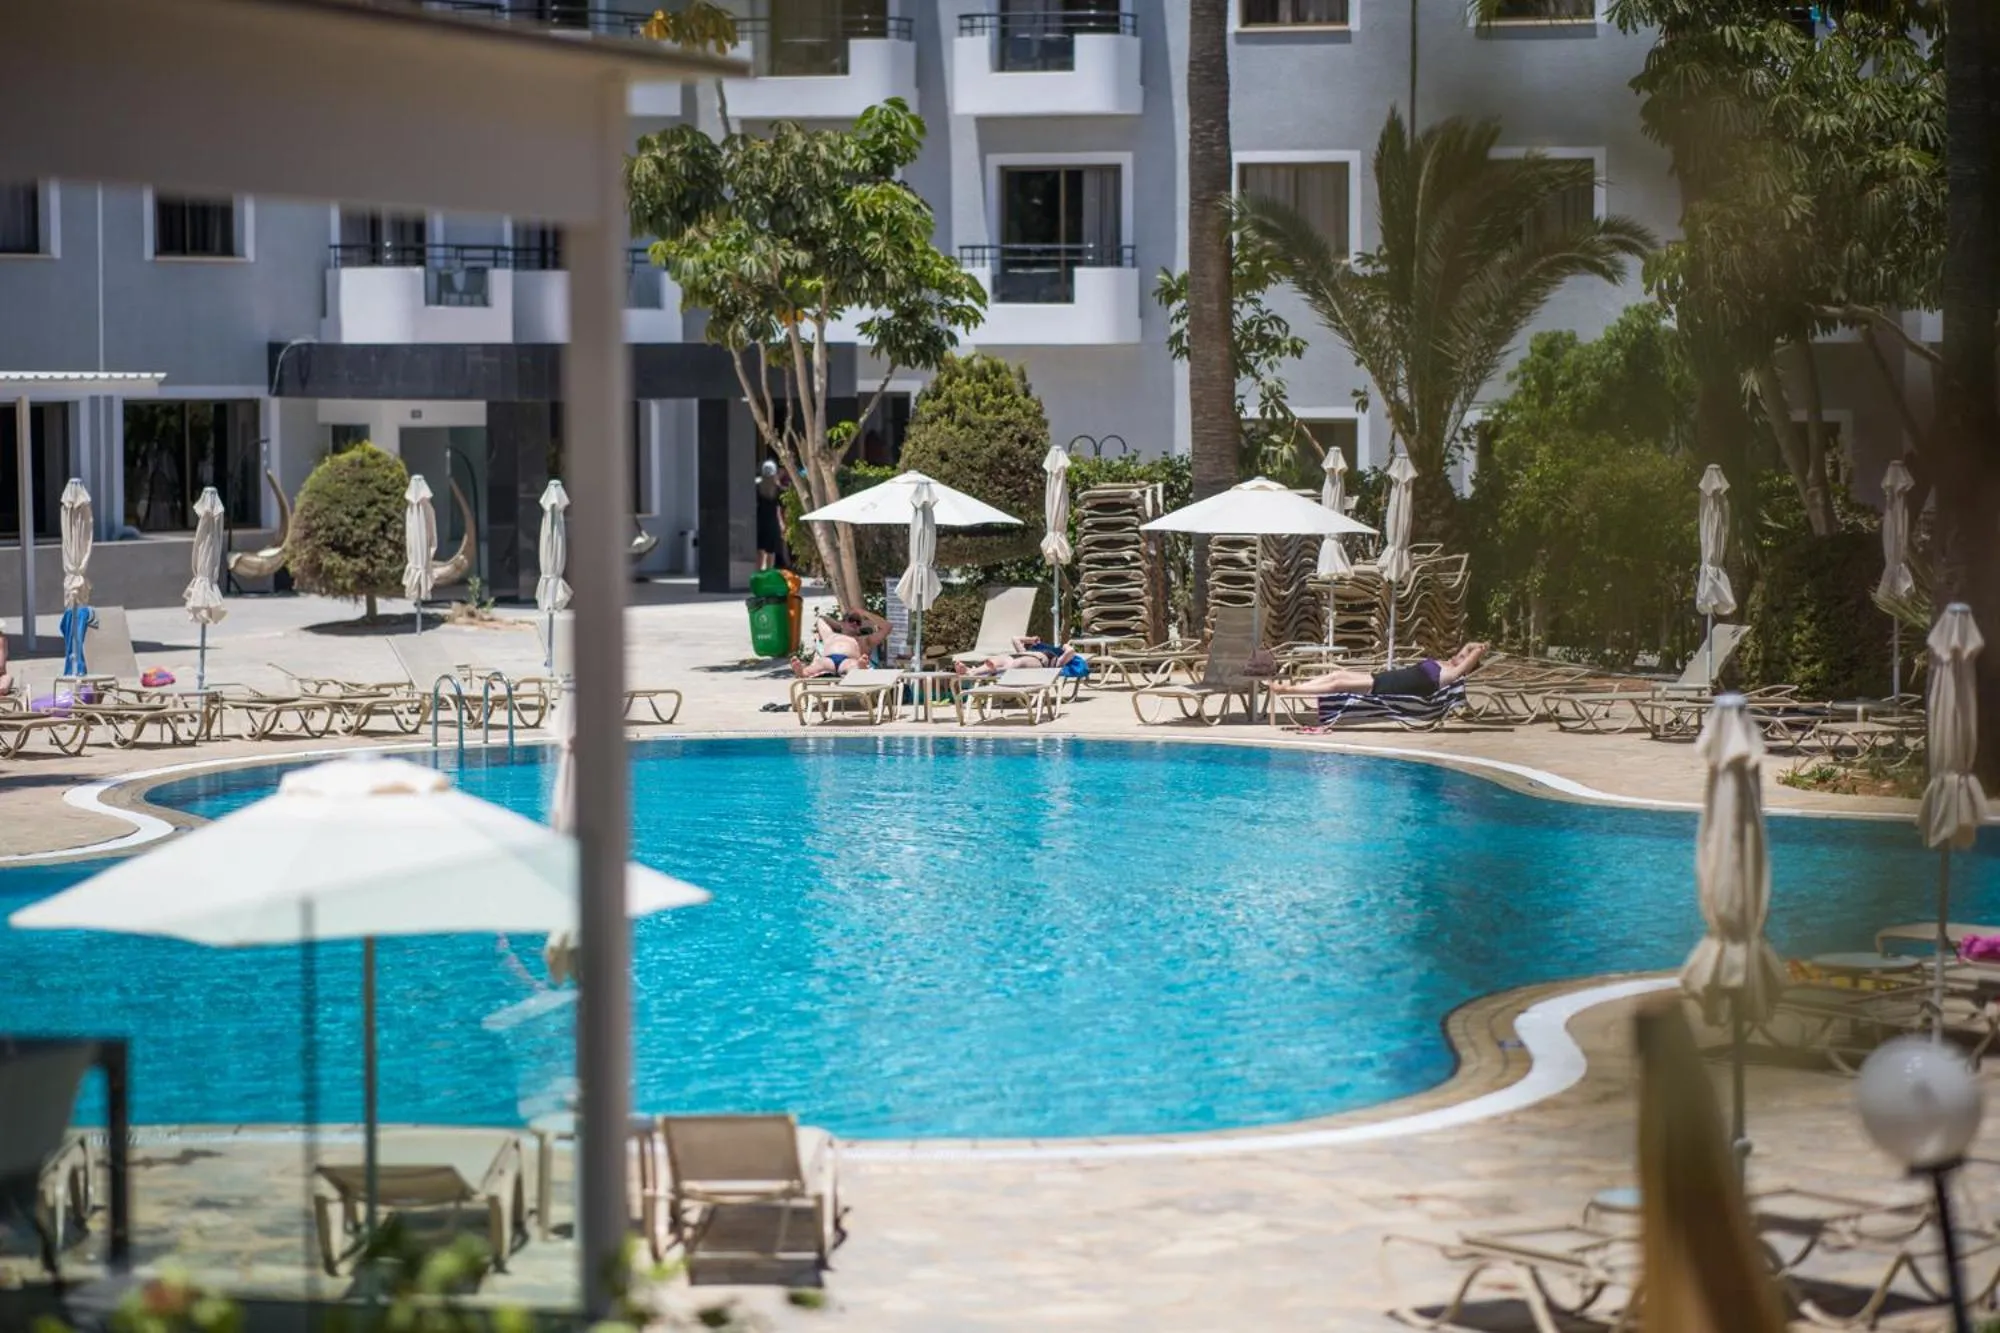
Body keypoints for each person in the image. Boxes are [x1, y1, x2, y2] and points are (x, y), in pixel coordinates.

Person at [1273, 642, 1490, 698]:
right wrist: (1475, 646)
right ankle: (1295, 686)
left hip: (1393, 686)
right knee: (1337, 674)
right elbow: (1470, 645)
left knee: (1338, 685)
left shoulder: (1451, 674)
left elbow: (1472, 654)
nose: (1458, 655)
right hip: (1389, 677)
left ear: (1465, 666)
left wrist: (1480, 650)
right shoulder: (1445, 665)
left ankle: (1290, 691)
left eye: (1462, 657)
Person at [792, 607, 889, 678]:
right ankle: (802, 673)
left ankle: (861, 668)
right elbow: (821, 619)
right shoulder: (830, 635)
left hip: (849, 661)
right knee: (818, 664)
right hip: (827, 660)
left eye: (858, 622)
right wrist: (841, 625)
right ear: (842, 622)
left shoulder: (864, 640)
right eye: (851, 620)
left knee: (854, 665)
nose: (855, 623)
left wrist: (864, 614)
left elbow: (887, 627)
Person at [956, 636, 1077, 679]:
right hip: (1019, 657)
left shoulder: (1059, 660)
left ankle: (995, 671)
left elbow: (1071, 651)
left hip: (1039, 664)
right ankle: (970, 671)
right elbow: (1015, 639)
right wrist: (1031, 639)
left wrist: (1065, 646)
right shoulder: (1026, 650)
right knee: (998, 659)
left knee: (1019, 663)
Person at [754, 459, 790, 572]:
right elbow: (779, 508)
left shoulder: (757, 486)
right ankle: (768, 575)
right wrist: (781, 523)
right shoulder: (777, 489)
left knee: (760, 551)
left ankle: (759, 574)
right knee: (771, 551)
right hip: (772, 522)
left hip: (759, 521)